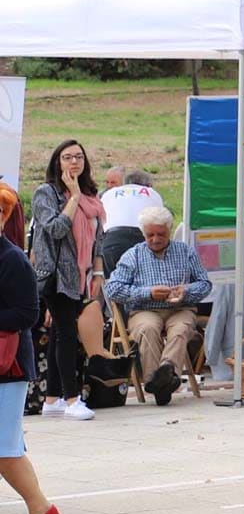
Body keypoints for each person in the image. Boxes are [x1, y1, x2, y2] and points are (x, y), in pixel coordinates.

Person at [31, 139, 108, 421]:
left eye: (78, 157)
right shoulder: (46, 193)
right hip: (56, 275)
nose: (74, 162)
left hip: (82, 275)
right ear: (57, 162)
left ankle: (52, 400)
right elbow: (55, 229)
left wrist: (97, 272)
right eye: (67, 157)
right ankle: (72, 398)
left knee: (59, 335)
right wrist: (73, 198)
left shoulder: (91, 195)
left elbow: (99, 237)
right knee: (66, 333)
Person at [103, 206, 212, 405]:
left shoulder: (185, 251)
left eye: (160, 234)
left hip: (180, 308)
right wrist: (148, 292)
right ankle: (163, 380)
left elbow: (205, 284)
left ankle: (164, 375)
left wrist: (185, 291)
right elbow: (113, 289)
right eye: (150, 234)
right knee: (147, 329)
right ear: (143, 233)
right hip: (145, 309)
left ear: (169, 231)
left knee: (180, 329)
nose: (155, 239)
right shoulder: (133, 255)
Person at [0, 184, 60, 514]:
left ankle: (41, 510)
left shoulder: (12, 259)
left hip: (8, 367)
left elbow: (27, 313)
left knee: (5, 450)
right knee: (7, 446)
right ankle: (40, 510)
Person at [99, 170, 164, 277]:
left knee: (113, 283)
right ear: (149, 185)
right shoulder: (152, 193)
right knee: (145, 282)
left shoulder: (109, 193)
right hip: (142, 239)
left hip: (111, 240)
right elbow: (161, 223)